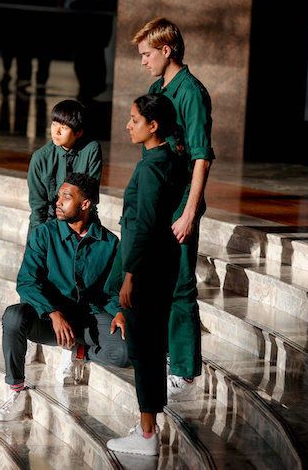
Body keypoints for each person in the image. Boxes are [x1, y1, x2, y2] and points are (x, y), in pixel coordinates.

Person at [0, 172, 128, 421]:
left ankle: (77, 351)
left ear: (85, 204)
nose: (58, 202)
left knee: (124, 352)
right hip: (49, 320)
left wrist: (120, 310)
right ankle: (16, 391)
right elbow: (27, 282)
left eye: (66, 197)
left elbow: (111, 290)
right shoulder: (44, 234)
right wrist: (53, 313)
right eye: (59, 196)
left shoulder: (109, 243)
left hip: (86, 319)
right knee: (13, 316)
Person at [131, 18, 215, 401]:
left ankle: (184, 370)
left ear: (167, 50)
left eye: (147, 54)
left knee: (181, 285)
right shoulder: (155, 88)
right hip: (159, 198)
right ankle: (167, 355)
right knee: (158, 284)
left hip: (180, 202)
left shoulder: (191, 93)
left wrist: (188, 213)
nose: (143, 61)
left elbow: (201, 157)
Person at [105, 95, 187, 456]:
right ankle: (148, 428)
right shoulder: (169, 159)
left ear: (153, 126)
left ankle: (147, 433)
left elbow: (144, 226)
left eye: (134, 119)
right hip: (162, 264)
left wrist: (130, 274)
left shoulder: (152, 167)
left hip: (147, 269)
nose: (128, 124)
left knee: (144, 351)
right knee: (150, 348)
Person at [27, 99, 102, 238]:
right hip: (51, 217)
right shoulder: (40, 157)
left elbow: (91, 194)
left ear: (78, 133)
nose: (56, 131)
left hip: (82, 216)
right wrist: (36, 238)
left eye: (64, 127)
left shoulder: (91, 149)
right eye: (54, 124)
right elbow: (38, 207)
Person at [57, 0, 120, 103]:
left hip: (81, 4)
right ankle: (95, 86)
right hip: (102, 7)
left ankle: (85, 86)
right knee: (97, 48)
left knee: (81, 49)